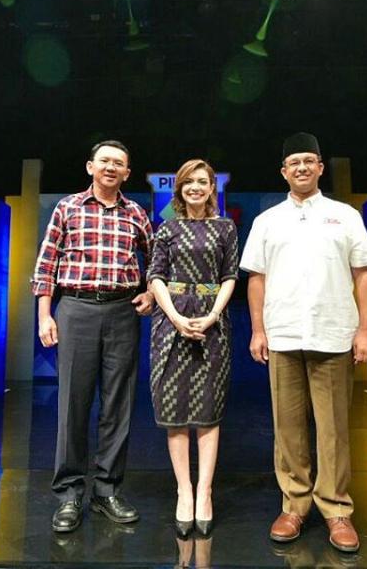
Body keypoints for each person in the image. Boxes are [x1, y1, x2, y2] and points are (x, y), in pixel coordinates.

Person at [240, 132, 367, 552]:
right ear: (283, 172)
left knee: (334, 428)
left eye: (309, 161)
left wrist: (366, 330)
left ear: (320, 167)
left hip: (333, 334)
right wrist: (258, 330)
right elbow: (256, 279)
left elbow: (364, 274)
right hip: (283, 335)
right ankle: (294, 506)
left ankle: (336, 509)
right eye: (294, 162)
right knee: (288, 428)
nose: (301, 167)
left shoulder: (344, 216)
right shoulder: (267, 221)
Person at [32, 140, 154, 533]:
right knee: (73, 402)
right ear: (90, 167)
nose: (111, 167)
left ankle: (107, 491)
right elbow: (46, 264)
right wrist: (44, 316)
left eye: (119, 163)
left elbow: (155, 261)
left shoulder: (136, 213)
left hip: (122, 311)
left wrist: (151, 293)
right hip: (76, 308)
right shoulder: (67, 207)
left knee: (118, 404)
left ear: (127, 173)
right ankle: (69, 494)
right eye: (104, 161)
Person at [148, 159, 238, 538]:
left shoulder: (225, 227)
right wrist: (175, 317)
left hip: (213, 322)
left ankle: (205, 492)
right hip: (171, 322)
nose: (195, 187)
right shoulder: (167, 228)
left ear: (212, 188)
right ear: (180, 188)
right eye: (189, 182)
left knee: (208, 410)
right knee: (174, 410)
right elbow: (155, 276)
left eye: (202, 181)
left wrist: (213, 314)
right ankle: (184, 492)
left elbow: (230, 275)